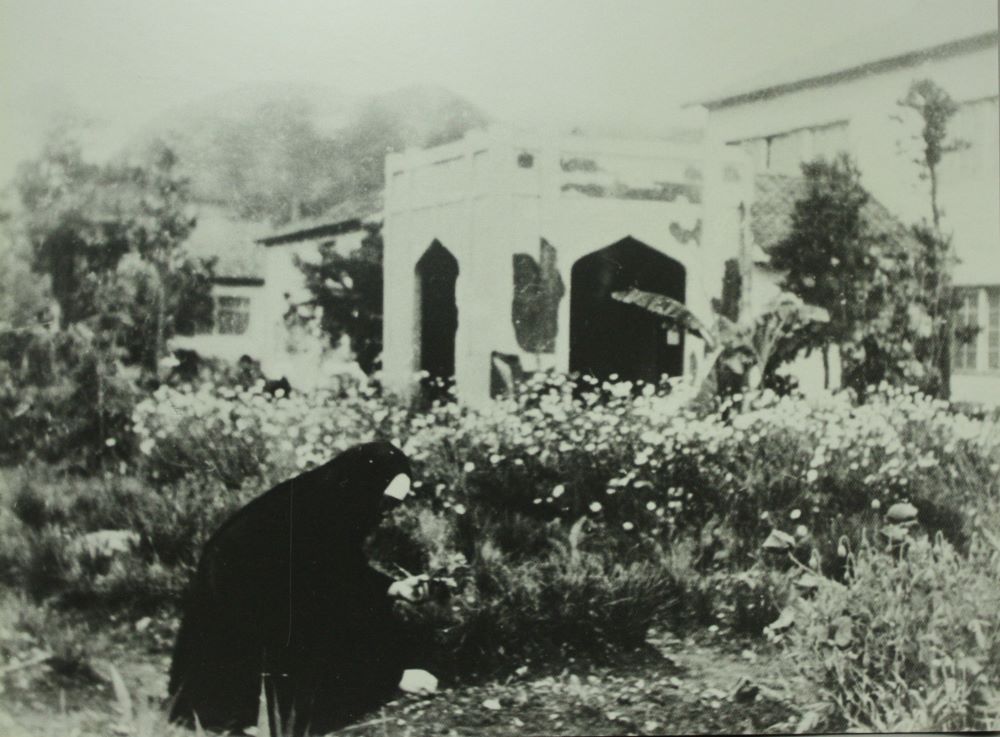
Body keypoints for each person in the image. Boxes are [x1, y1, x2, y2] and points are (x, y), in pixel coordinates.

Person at [167, 441, 438, 736]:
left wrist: (395, 588)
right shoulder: (325, 509)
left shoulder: (339, 499)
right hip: (238, 571)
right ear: (367, 486)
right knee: (235, 673)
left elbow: (345, 569)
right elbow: (330, 597)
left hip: (252, 568)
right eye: (384, 502)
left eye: (393, 506)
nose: (385, 514)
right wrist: (392, 675)